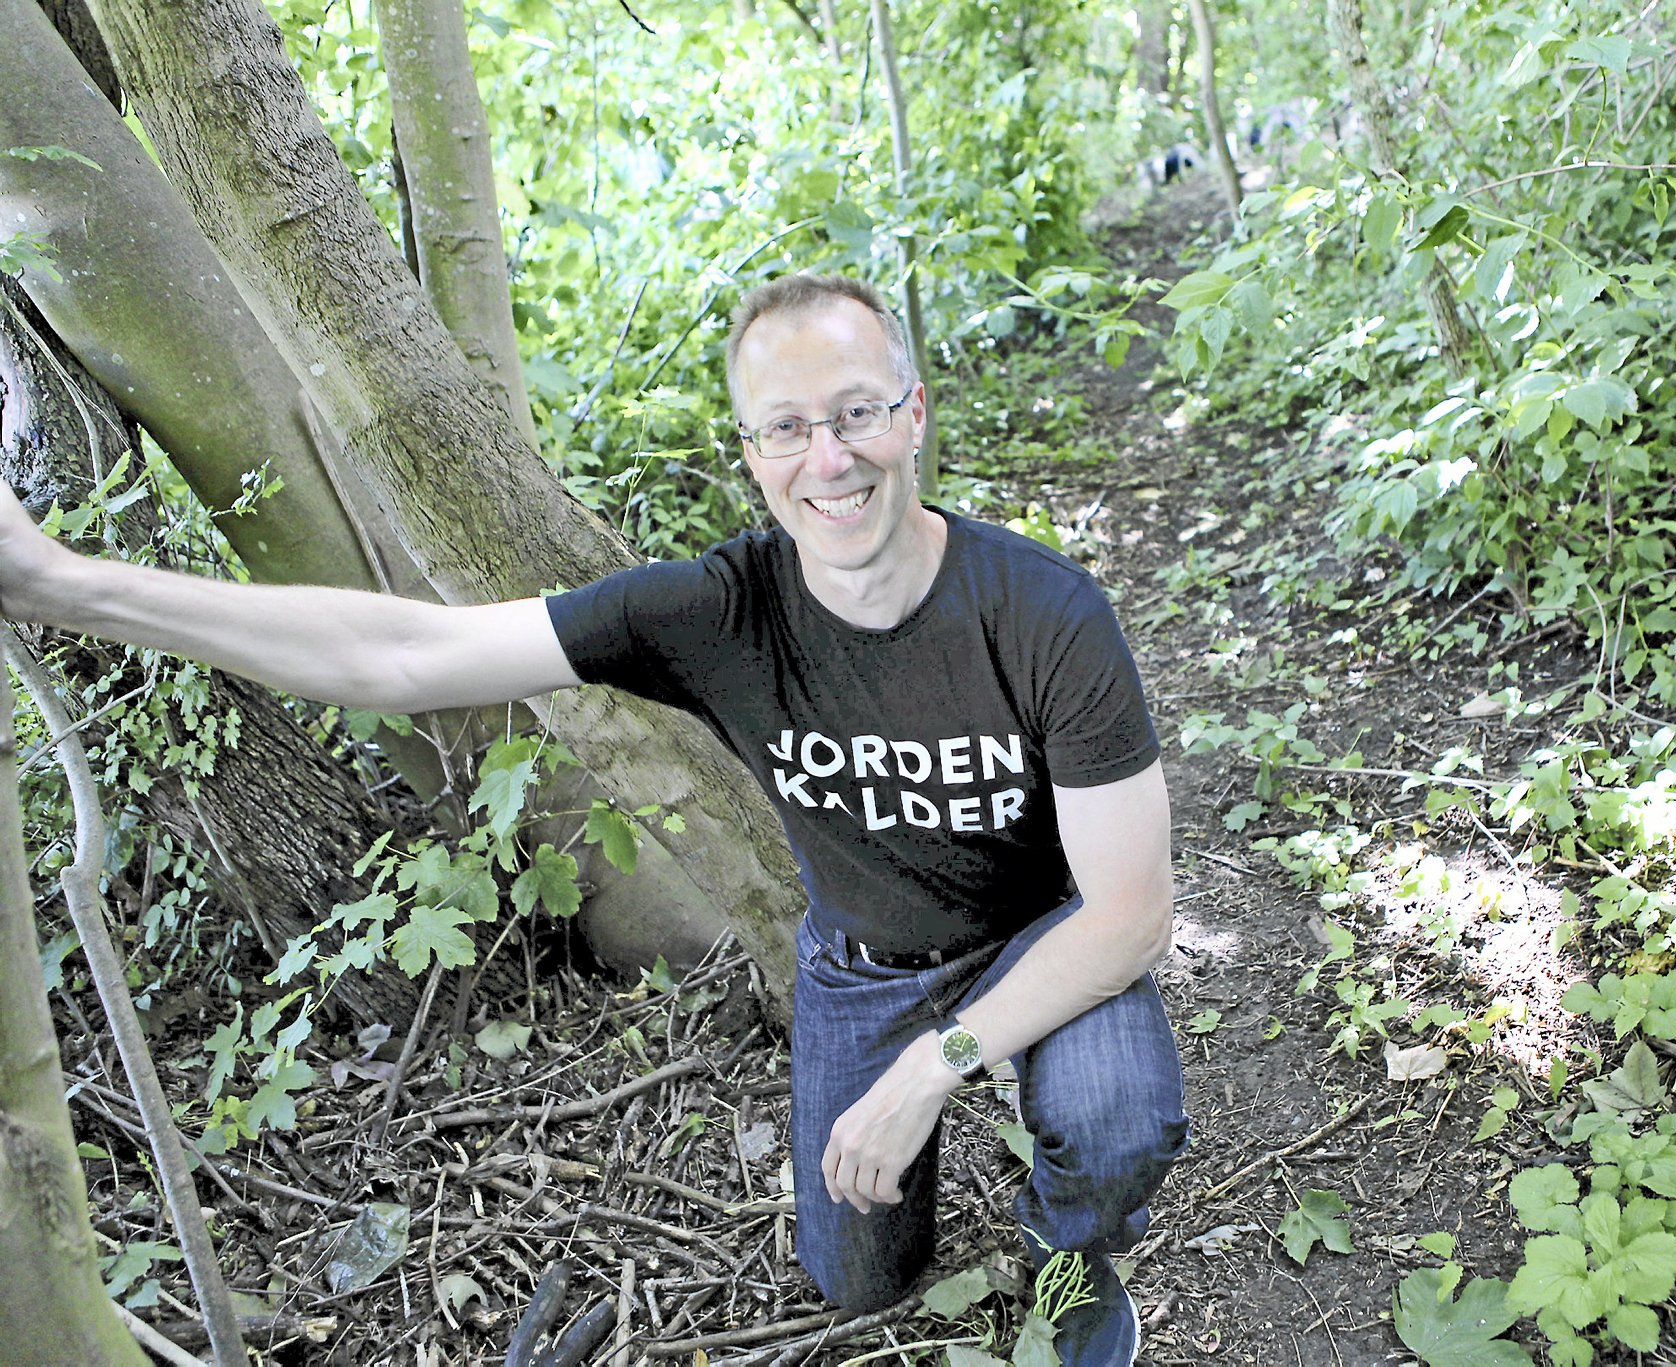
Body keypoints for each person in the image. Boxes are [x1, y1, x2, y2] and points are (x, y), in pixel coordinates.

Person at [0, 273, 1188, 1366]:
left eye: (857, 412)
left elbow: (1129, 915)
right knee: (855, 1282)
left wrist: (937, 1065)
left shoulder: (1042, 615)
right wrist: (61, 582)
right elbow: (404, 652)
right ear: (751, 452)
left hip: (1044, 931)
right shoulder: (717, 610)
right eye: (785, 426)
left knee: (1113, 1109)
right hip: (863, 964)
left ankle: (1068, 1249)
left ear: (915, 414)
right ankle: (897, 1168)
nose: (827, 457)